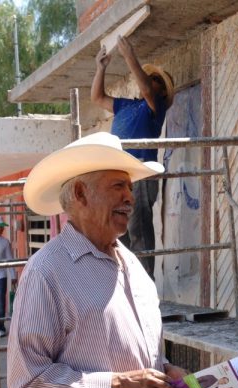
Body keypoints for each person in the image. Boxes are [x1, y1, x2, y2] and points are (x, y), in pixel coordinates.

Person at [7, 132, 187, 388]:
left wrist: (164, 371)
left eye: (129, 187)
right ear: (80, 194)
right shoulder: (47, 271)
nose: (130, 197)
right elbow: (27, 381)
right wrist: (118, 385)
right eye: (118, 186)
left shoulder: (132, 264)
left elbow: (126, 347)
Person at [90, 34, 175, 278]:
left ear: (162, 91)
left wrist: (130, 57)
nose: (150, 80)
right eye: (151, 77)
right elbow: (97, 97)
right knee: (119, 232)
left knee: (139, 231)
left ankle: (144, 286)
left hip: (139, 176)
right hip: (118, 177)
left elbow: (147, 89)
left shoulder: (155, 107)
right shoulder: (126, 105)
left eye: (157, 79)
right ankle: (126, 284)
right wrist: (101, 68)